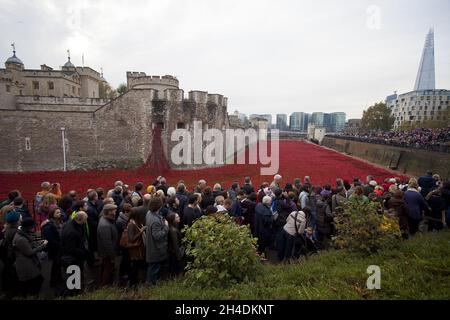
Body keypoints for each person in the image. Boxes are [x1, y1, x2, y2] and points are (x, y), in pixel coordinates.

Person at [12, 218, 48, 297]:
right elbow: (30, 252)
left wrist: (39, 242)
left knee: (32, 282)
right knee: (34, 281)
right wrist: (43, 245)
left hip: (28, 263)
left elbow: (30, 243)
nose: (33, 228)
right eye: (32, 227)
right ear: (27, 227)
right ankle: (31, 295)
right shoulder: (21, 239)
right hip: (26, 265)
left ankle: (30, 295)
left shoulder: (23, 233)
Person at [145, 197, 169, 285]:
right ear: (159, 206)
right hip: (155, 248)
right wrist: (166, 227)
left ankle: (151, 283)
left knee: (153, 267)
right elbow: (157, 236)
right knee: (154, 268)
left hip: (152, 247)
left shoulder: (149, 213)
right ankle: (151, 284)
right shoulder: (155, 220)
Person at [41, 206, 64, 288]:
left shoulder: (59, 221)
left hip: (59, 247)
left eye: (60, 212)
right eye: (57, 213)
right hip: (55, 249)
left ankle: (59, 279)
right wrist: (60, 245)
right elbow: (50, 240)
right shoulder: (49, 225)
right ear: (52, 214)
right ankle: (54, 282)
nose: (60, 214)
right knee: (55, 265)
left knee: (57, 265)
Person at [1, 208, 21, 298]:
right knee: (13, 277)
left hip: (9, 258)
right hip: (13, 258)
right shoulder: (15, 231)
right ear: (16, 221)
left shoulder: (8, 229)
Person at [97, 203, 119, 286]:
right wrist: (112, 256)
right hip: (107, 253)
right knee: (108, 269)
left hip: (107, 251)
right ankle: (105, 286)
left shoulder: (107, 219)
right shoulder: (105, 225)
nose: (115, 211)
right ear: (109, 212)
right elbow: (107, 243)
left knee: (107, 268)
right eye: (114, 210)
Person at [127, 208, 147, 287]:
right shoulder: (131, 224)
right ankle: (132, 284)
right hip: (136, 250)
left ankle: (137, 282)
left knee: (138, 266)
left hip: (140, 249)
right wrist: (141, 231)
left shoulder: (137, 222)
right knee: (135, 268)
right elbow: (131, 239)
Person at [116, 203, 132, 285]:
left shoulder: (124, 218)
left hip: (125, 242)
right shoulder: (120, 221)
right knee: (125, 259)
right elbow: (124, 232)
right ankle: (122, 275)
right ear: (125, 211)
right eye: (129, 212)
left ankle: (124, 273)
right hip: (123, 243)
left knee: (126, 259)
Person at [167, 212, 184, 277]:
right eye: (177, 217)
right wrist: (179, 256)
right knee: (175, 268)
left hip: (173, 252)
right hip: (174, 252)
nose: (179, 217)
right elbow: (175, 244)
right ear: (173, 220)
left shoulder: (173, 227)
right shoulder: (173, 230)